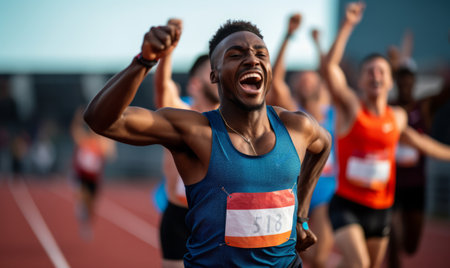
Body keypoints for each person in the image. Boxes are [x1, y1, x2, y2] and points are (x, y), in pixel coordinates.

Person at [83, 19, 331, 267]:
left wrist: (301, 216)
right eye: (236, 55)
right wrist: (144, 60)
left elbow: (324, 145)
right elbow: (101, 121)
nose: (252, 59)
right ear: (215, 74)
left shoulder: (298, 127)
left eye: (260, 53)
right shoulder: (195, 132)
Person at [324, 2, 450, 268]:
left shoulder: (397, 117)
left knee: (362, 266)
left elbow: (421, 142)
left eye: (381, 70)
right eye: (369, 71)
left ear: (389, 81)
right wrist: (347, 26)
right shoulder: (351, 107)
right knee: (358, 264)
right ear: (360, 81)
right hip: (347, 204)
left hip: (381, 208)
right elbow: (330, 70)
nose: (375, 75)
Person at [266, 13, 336, 268]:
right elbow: (276, 77)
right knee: (292, 251)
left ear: (319, 86)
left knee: (320, 256)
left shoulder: (330, 109)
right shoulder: (293, 112)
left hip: (326, 189)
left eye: (311, 78)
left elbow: (330, 72)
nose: (307, 81)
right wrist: (287, 36)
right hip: (295, 189)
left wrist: (319, 45)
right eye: (302, 79)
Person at [153, 18, 219, 268]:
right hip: (178, 217)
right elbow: (163, 91)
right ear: (195, 83)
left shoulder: (228, 120)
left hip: (215, 218)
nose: (218, 77)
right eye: (211, 72)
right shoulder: (180, 114)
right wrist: (167, 53)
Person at [70, 107, 116, 239]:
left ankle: (87, 223)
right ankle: (80, 204)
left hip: (94, 178)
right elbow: (74, 131)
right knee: (81, 195)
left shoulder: (102, 143)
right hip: (81, 175)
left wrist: (110, 136)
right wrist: (77, 119)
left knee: (92, 205)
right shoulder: (84, 139)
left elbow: (111, 155)